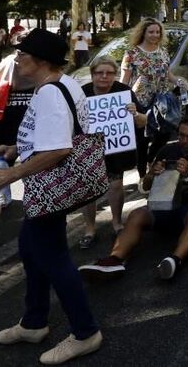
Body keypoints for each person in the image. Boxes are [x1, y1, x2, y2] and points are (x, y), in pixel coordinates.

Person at [0, 28, 102, 363]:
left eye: (22, 54)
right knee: (30, 248)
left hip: (50, 187)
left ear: (40, 60)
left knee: (53, 258)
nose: (17, 59)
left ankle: (85, 332)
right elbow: (54, 134)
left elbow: (60, 148)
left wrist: (10, 174)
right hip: (47, 185)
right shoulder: (60, 84)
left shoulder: (51, 92)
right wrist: (16, 146)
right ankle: (34, 322)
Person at [78, 116, 188, 282]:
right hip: (163, 206)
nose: (184, 140)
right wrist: (152, 174)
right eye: (181, 135)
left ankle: (175, 260)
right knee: (136, 214)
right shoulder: (168, 150)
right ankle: (115, 259)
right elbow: (146, 186)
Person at [79, 56, 145, 247]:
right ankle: (89, 229)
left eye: (109, 73)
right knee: (88, 189)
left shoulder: (124, 92)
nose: (104, 76)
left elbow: (143, 121)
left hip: (115, 148)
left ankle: (117, 224)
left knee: (115, 186)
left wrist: (135, 113)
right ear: (92, 74)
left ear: (115, 75)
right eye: (99, 72)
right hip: (89, 149)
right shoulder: (81, 94)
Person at [120, 17, 180, 176]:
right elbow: (123, 82)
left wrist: (179, 81)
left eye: (157, 32)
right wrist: (123, 100)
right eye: (151, 32)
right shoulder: (131, 54)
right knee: (142, 140)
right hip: (140, 103)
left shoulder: (163, 52)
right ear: (143, 33)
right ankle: (142, 175)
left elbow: (168, 74)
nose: (155, 35)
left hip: (162, 101)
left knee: (165, 133)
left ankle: (151, 159)